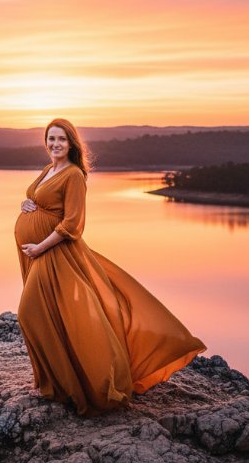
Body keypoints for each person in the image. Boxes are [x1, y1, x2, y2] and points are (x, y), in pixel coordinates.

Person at [14, 118, 207, 416]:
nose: (55, 144)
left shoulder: (74, 175)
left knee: (30, 312)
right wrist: (26, 205)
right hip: (39, 253)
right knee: (53, 314)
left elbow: (73, 224)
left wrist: (39, 247)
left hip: (55, 254)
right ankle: (54, 383)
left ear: (72, 144)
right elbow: (41, 201)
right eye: (51, 139)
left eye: (61, 140)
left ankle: (79, 384)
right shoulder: (49, 169)